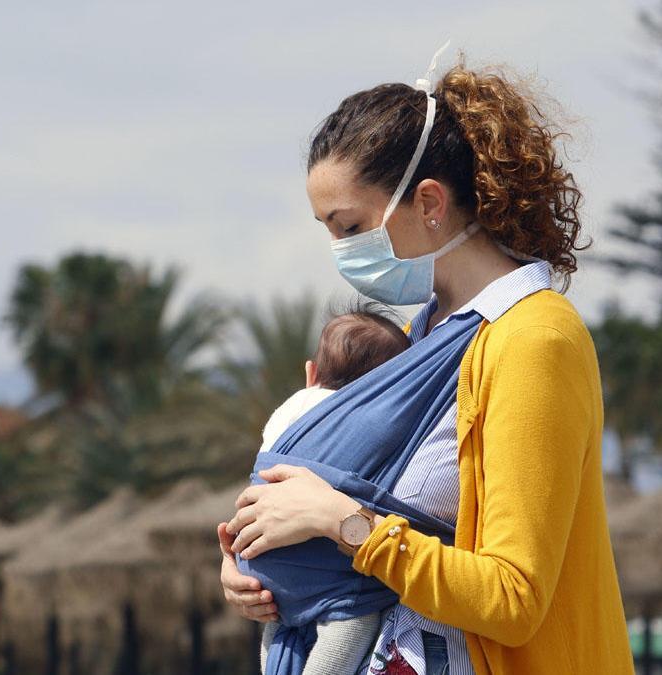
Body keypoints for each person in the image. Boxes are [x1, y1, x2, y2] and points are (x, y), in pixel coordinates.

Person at [217, 44, 633, 675]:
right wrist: (261, 563)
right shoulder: (421, 337)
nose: (339, 251)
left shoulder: (533, 341)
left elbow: (513, 598)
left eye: (349, 227)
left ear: (431, 205)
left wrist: (341, 524)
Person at [256, 306, 412, 675]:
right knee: (352, 623)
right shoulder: (374, 422)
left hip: (268, 568)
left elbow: (264, 461)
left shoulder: (290, 408)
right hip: (331, 579)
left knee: (278, 630)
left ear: (311, 373)